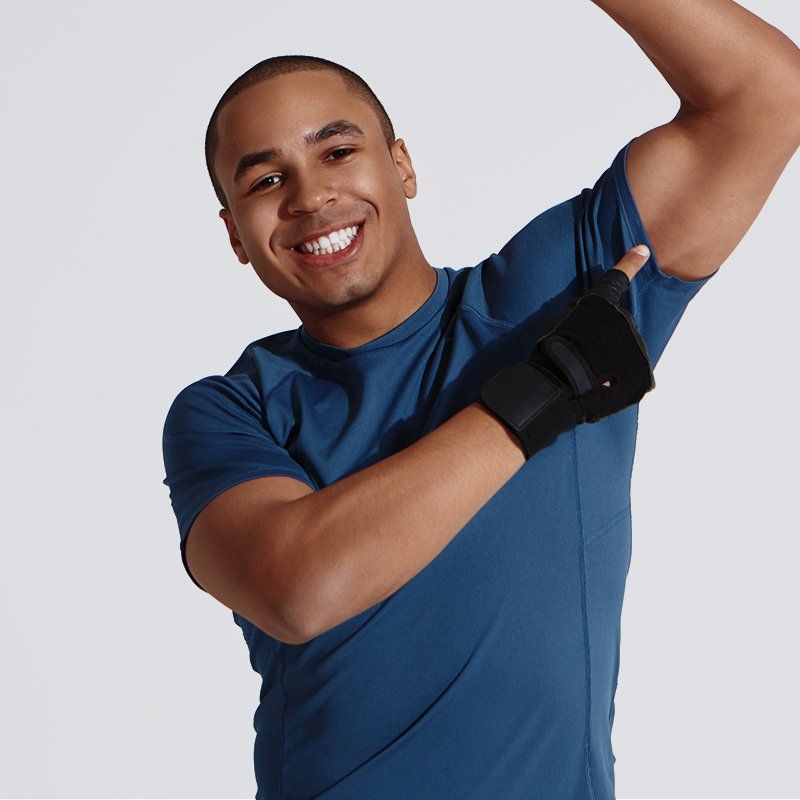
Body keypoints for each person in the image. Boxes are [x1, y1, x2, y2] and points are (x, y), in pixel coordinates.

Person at [162, 10, 800, 795]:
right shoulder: (228, 413)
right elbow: (299, 590)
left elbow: (766, 96)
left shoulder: (543, 298)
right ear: (234, 233)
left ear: (402, 166)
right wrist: (544, 393)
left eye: (338, 150)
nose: (311, 194)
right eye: (265, 180)